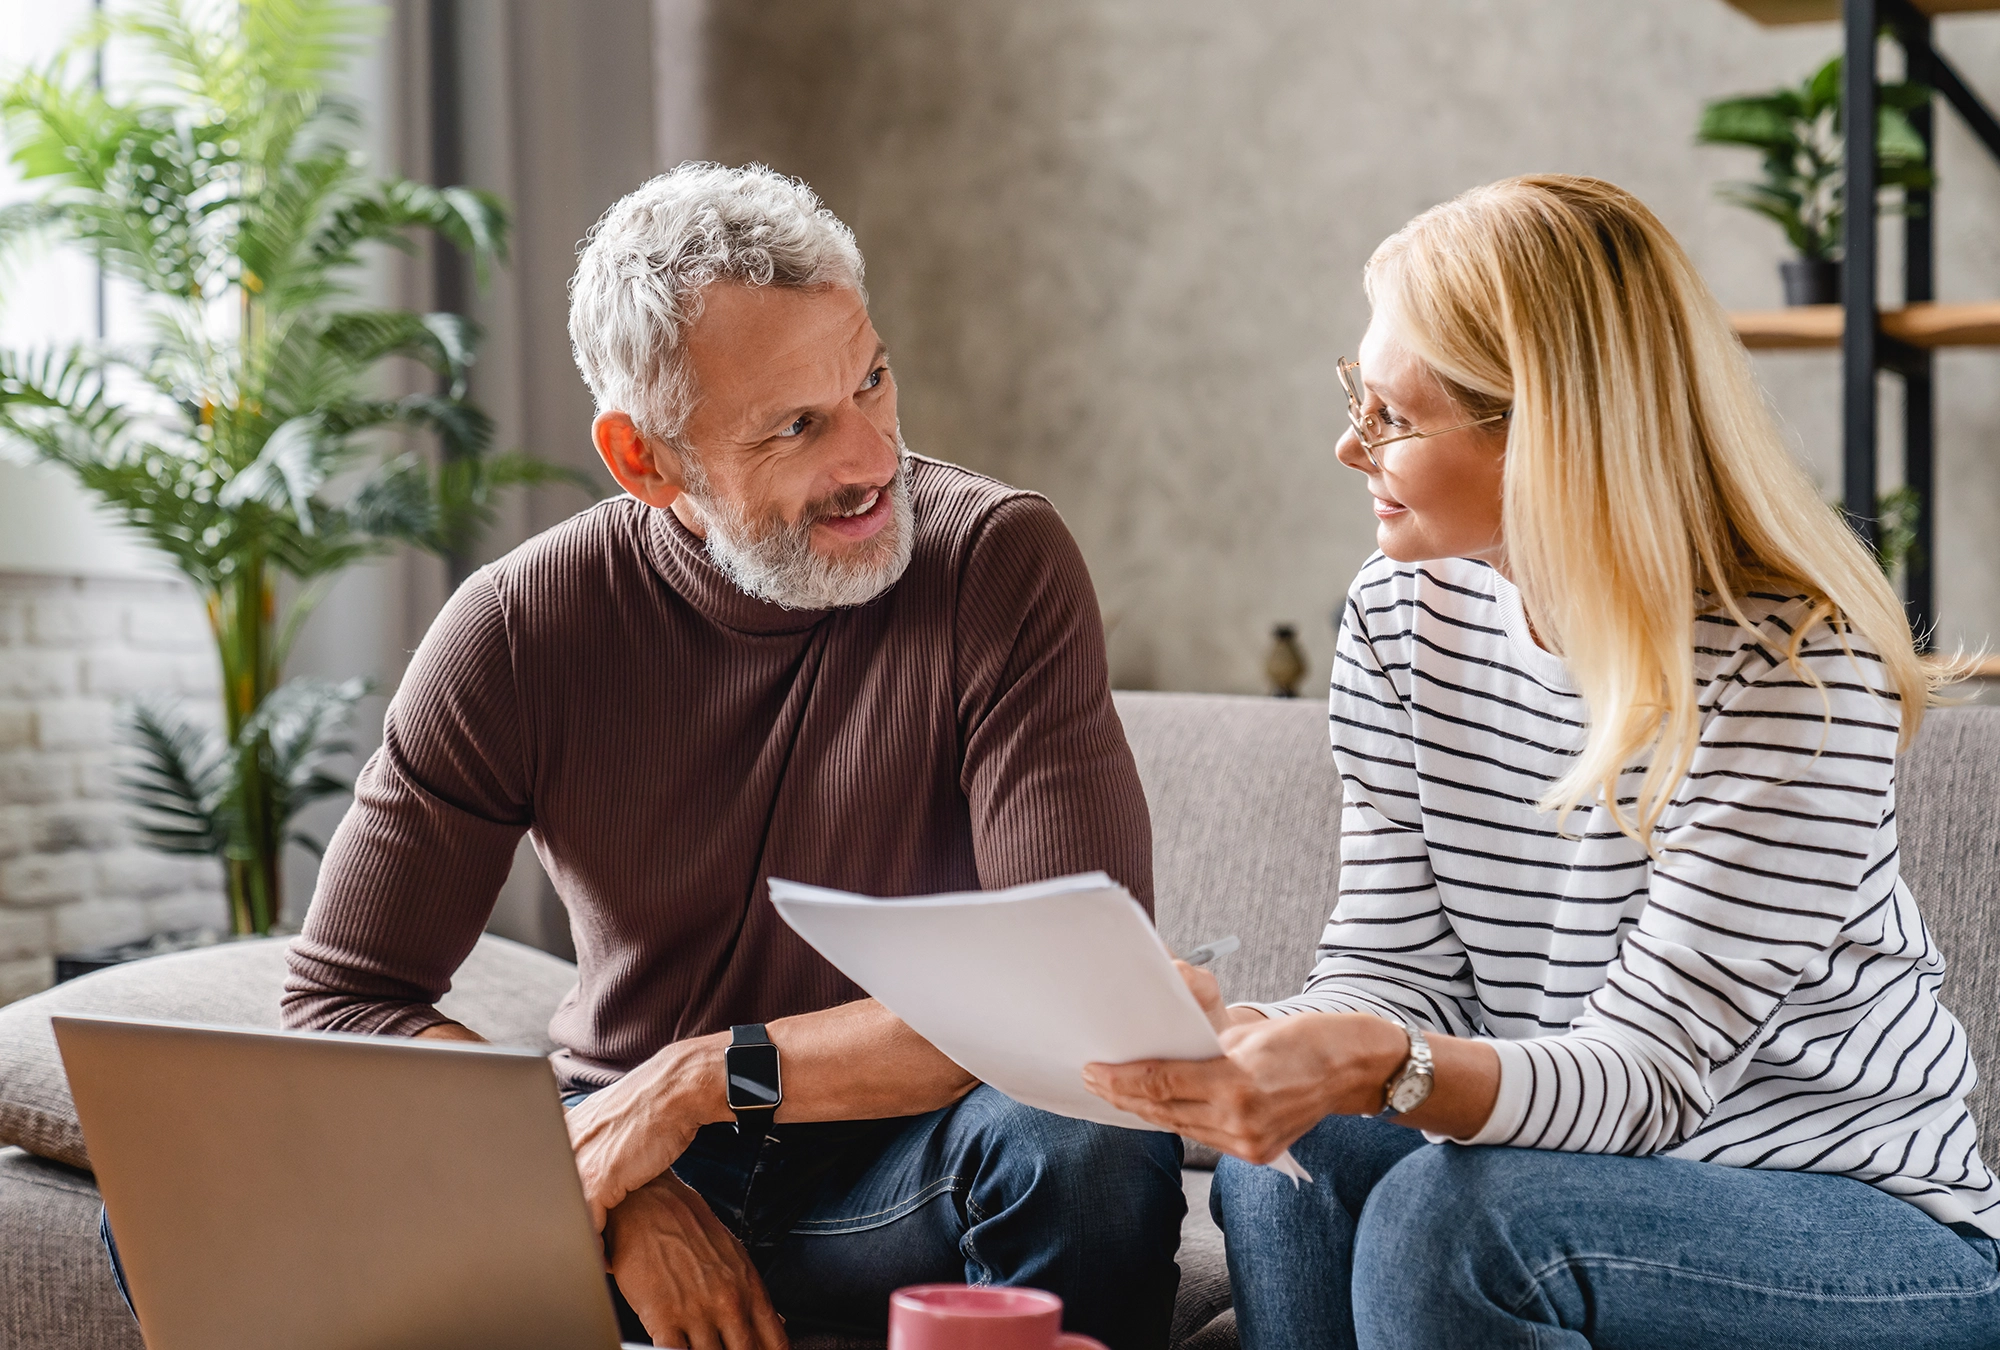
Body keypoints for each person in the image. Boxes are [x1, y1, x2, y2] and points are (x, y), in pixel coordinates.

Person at [1082, 175, 1999, 1349]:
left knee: (1446, 1222)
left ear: (1547, 430)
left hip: (1858, 1227)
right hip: (1577, 1171)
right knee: (1288, 1155)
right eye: (1353, 399)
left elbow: (1650, 1078)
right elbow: (1389, 967)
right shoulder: (1397, 617)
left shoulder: (1793, 671)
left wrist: (1384, 1064)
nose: (1346, 445)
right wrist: (1264, 1040)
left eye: (1391, 417)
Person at [280, 162, 1184, 1350]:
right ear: (646, 461)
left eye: (869, 380)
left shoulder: (995, 564)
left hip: (901, 1169)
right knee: (202, 1203)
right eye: (796, 426)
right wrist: (615, 1189)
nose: (870, 461)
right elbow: (344, 1000)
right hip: (620, 1148)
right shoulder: (515, 627)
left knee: (1093, 1136)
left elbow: (1071, 1003)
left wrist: (697, 1078)